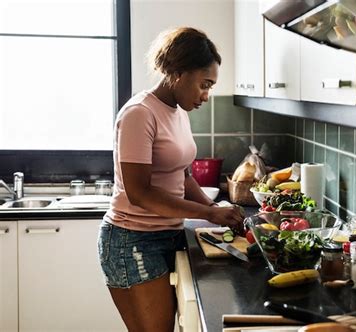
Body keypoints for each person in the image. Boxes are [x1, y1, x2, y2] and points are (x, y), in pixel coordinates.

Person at [97, 27, 244, 332]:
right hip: (132, 239)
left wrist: (216, 212)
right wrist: (207, 213)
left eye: (211, 87)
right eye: (204, 85)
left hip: (167, 233)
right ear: (178, 73)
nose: (206, 95)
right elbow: (139, 193)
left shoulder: (178, 111)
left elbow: (184, 174)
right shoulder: (139, 114)